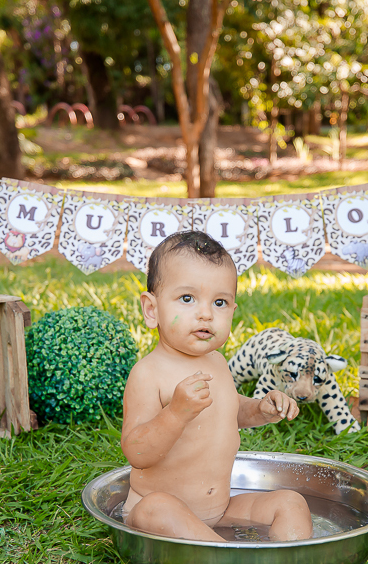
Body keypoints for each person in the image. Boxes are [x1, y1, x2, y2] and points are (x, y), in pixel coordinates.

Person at [120, 231, 313, 542]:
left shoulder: (217, 362)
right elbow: (137, 452)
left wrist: (259, 409)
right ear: (152, 310)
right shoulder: (148, 373)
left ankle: (289, 559)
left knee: (290, 502)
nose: (206, 314)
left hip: (220, 511)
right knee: (154, 509)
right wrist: (175, 414)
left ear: (232, 311)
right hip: (161, 513)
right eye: (187, 298)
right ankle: (230, 558)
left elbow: (227, 412)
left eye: (220, 302)